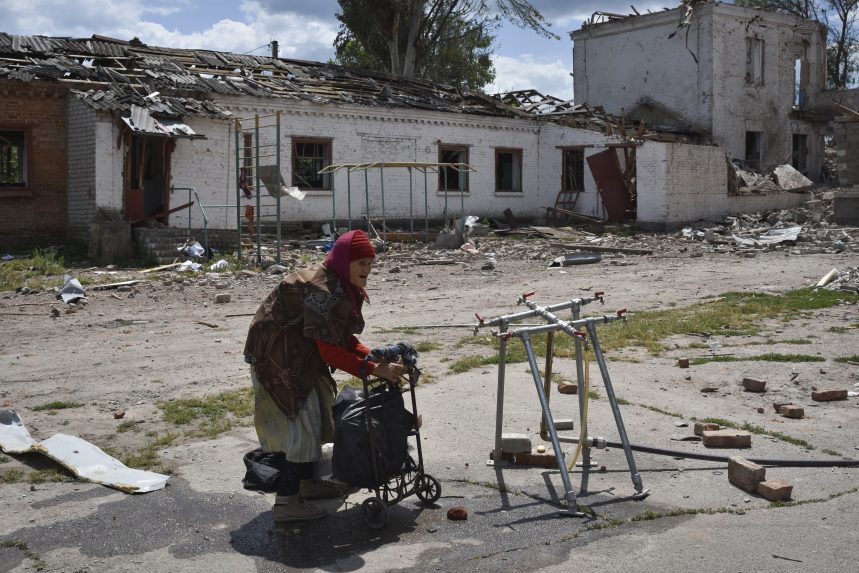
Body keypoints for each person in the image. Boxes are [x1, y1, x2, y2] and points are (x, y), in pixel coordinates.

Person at [243, 230, 405, 522]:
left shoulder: (341, 284)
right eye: (361, 263)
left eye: (370, 263)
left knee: (318, 414)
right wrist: (373, 369)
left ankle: (307, 484)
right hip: (277, 358)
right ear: (344, 261)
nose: (367, 270)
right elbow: (331, 352)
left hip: (298, 354)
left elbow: (342, 340)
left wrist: (373, 357)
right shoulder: (324, 291)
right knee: (301, 426)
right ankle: (286, 503)